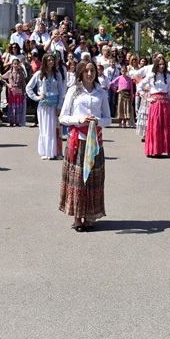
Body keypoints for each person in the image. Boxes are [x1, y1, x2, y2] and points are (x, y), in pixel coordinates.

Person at [58, 60, 111, 232]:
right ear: (81, 72)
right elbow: (63, 117)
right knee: (78, 180)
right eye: (87, 71)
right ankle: (77, 216)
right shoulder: (73, 91)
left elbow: (108, 119)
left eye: (92, 71)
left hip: (94, 140)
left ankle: (89, 216)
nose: (90, 74)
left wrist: (98, 121)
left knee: (93, 179)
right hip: (77, 139)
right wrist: (78, 120)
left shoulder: (100, 93)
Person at [26, 54, 65, 160]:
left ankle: (56, 152)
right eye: (48, 60)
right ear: (44, 62)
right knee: (44, 128)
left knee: (54, 128)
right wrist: (36, 97)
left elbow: (61, 91)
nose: (51, 62)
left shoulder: (57, 74)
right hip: (43, 105)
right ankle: (45, 151)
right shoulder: (39, 74)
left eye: (52, 60)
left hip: (54, 105)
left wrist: (60, 106)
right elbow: (28, 87)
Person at [144, 56, 170, 157]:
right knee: (155, 126)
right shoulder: (151, 75)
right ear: (156, 65)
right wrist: (147, 98)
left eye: (163, 64)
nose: (162, 66)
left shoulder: (168, 76)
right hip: (155, 104)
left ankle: (163, 149)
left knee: (164, 126)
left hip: (165, 103)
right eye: (160, 64)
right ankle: (154, 150)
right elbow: (139, 86)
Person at [0, 58, 27, 127]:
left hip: (19, 91)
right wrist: (7, 84)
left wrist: (24, 92)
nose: (16, 65)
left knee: (18, 107)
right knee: (12, 106)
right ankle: (11, 121)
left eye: (17, 64)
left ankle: (17, 121)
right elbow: (2, 78)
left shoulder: (21, 73)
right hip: (11, 92)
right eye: (14, 64)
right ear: (12, 64)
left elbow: (23, 83)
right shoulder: (9, 72)